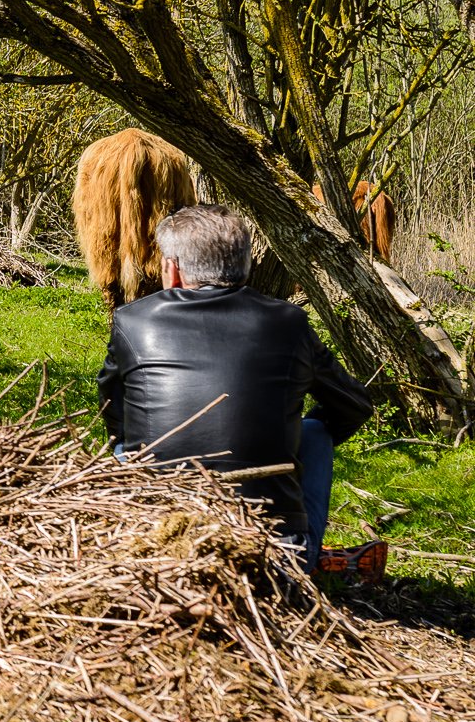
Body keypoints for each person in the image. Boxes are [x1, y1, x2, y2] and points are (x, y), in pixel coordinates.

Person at [98, 203, 385, 580]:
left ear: (172, 268)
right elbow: (354, 406)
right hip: (272, 554)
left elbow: (112, 407)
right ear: (245, 265)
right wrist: (294, 433)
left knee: (124, 447)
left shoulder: (133, 320)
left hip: (156, 541)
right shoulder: (290, 322)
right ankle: (308, 557)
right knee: (316, 431)